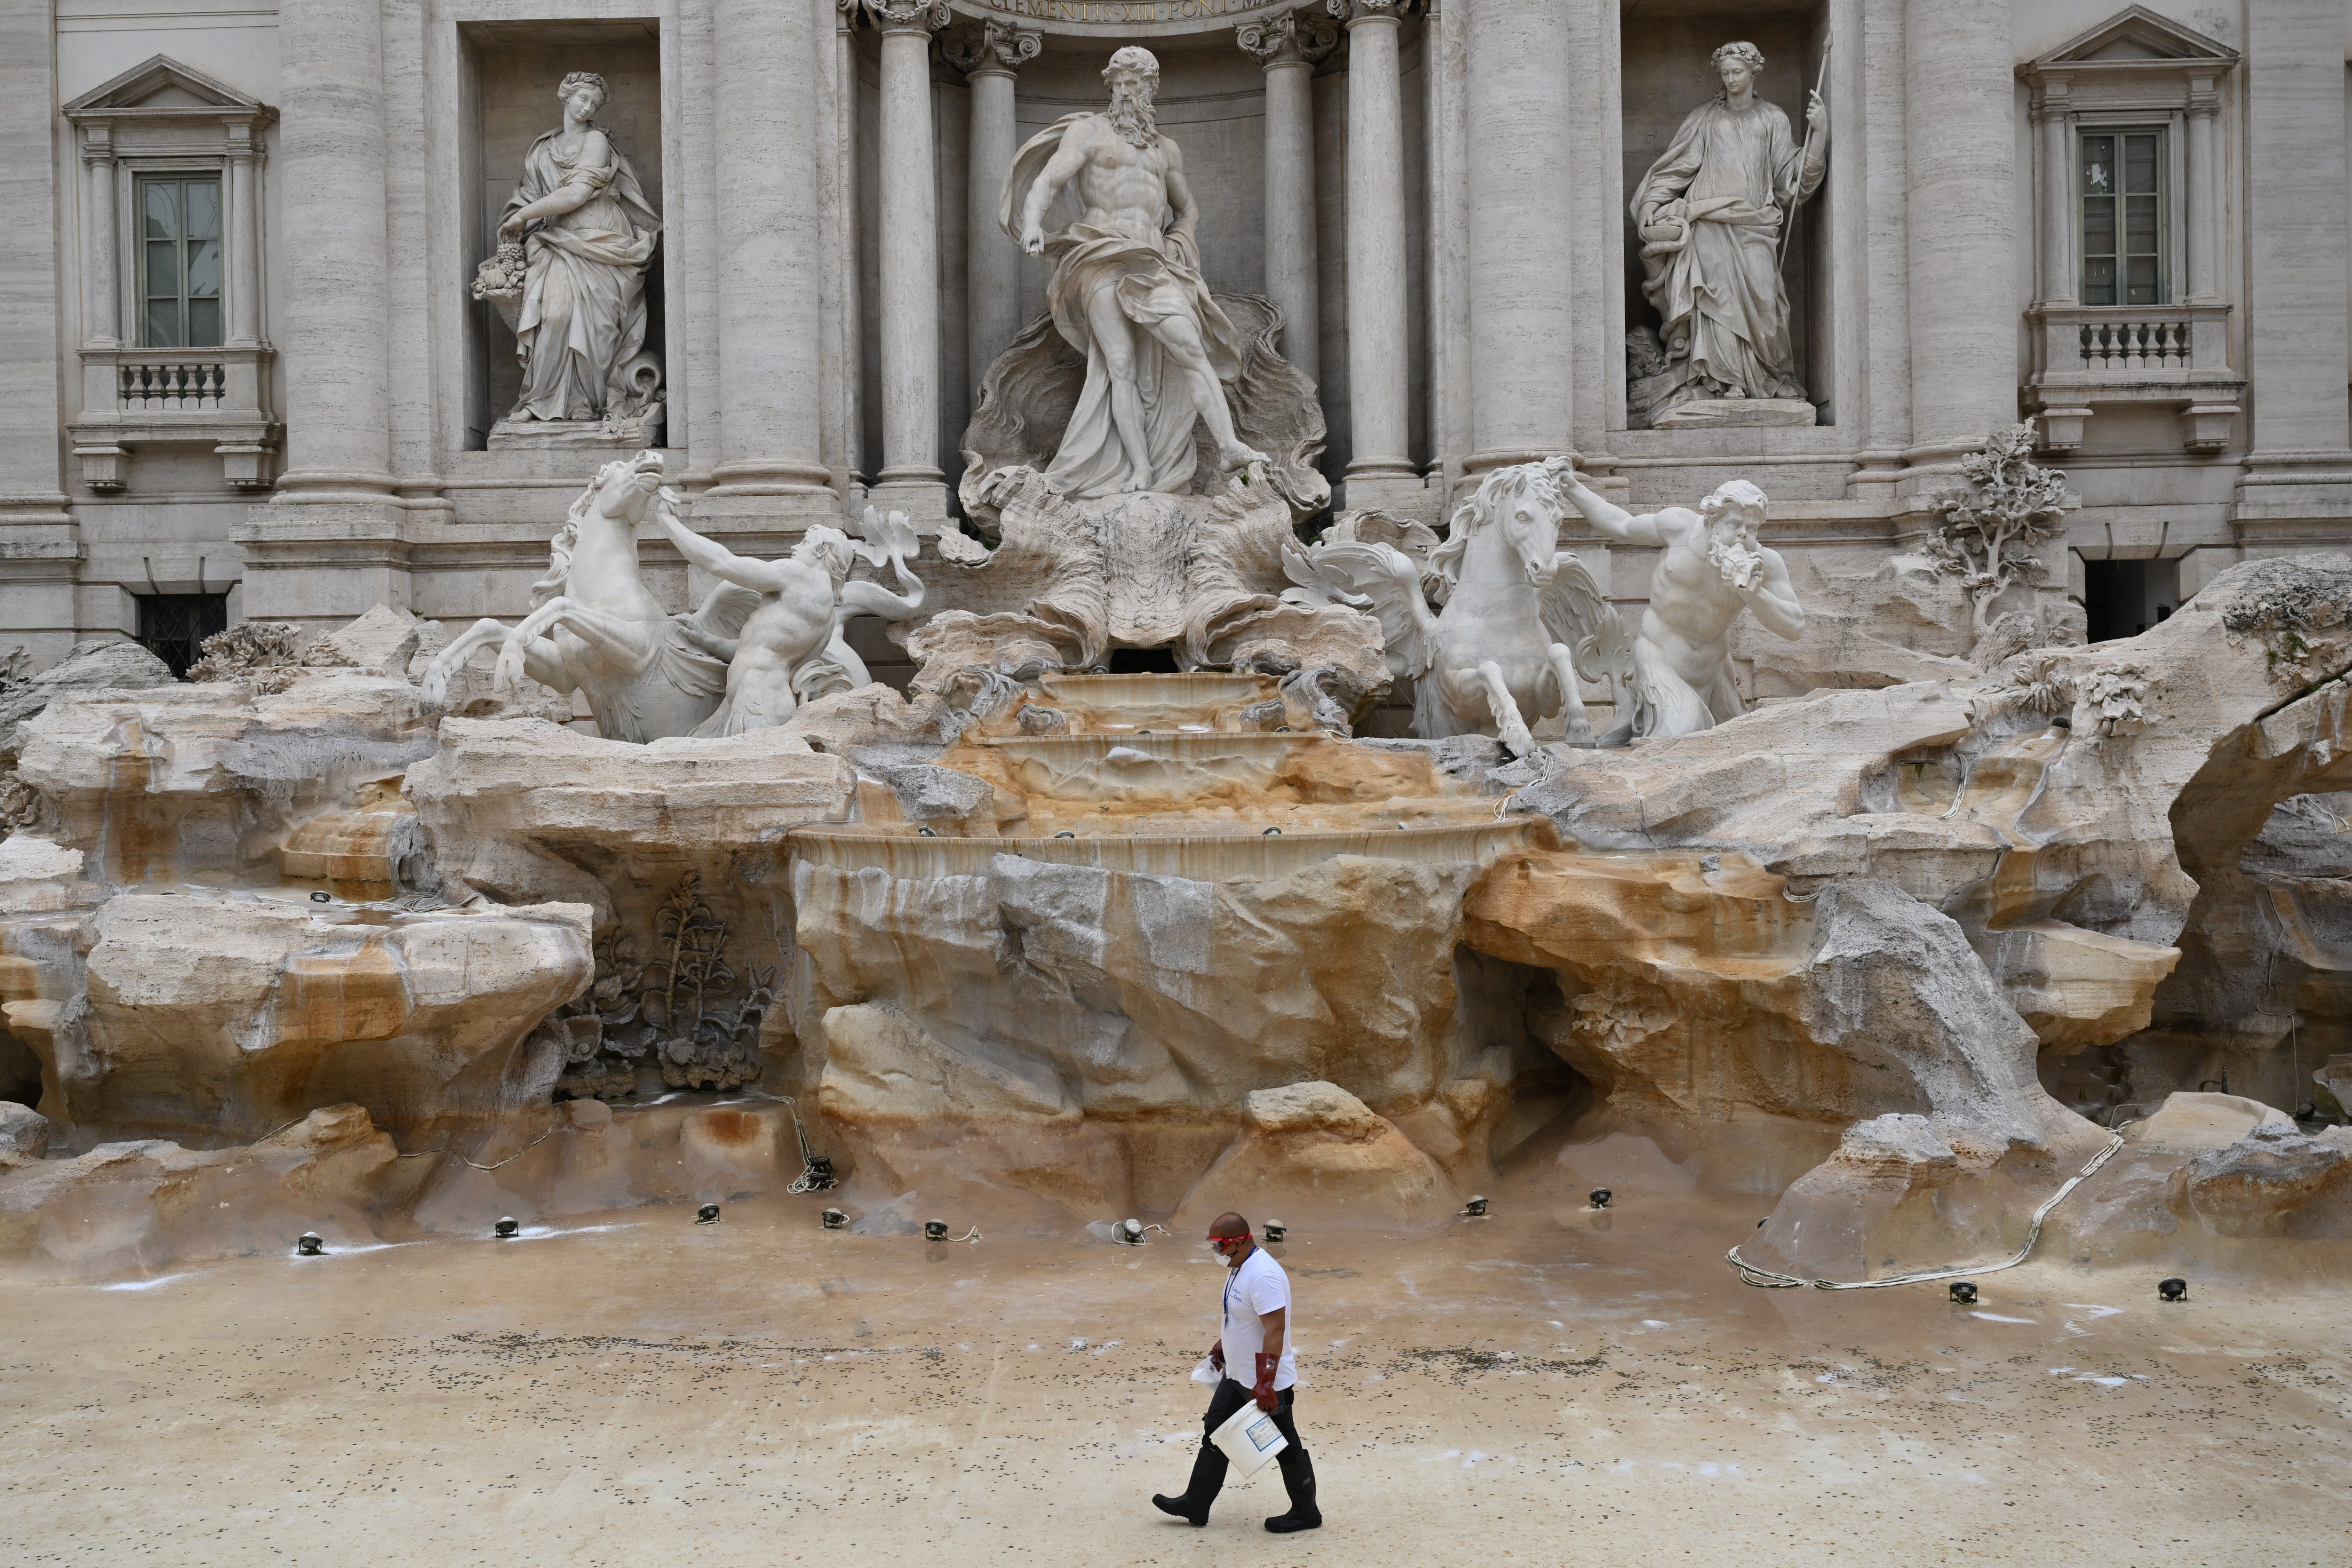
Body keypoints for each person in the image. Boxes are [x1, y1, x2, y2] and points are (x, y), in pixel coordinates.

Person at [1002, 46, 1267, 498]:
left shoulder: (1166, 151)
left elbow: (1187, 208)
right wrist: (1031, 225)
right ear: (1111, 86)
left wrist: (1178, 239)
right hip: (1099, 254)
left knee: (1190, 346)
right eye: (1121, 82)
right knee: (1118, 363)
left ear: (1151, 89)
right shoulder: (1090, 132)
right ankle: (1140, 470)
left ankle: (1229, 447)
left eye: (1137, 83)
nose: (1128, 91)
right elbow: (1047, 182)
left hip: (1151, 262)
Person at [1630, 40, 1827, 413]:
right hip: (1708, 222)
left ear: (1754, 72)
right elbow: (1677, 168)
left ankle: (1771, 376)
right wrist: (1651, 203)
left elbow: (1793, 181)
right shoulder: (1706, 118)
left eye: (1738, 72)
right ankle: (1723, 380)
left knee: (1767, 301)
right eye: (1725, 73)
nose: (1731, 79)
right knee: (1714, 299)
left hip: (1755, 223)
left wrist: (1819, 135)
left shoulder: (1773, 119)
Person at [1554, 471, 1805, 737]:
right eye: (1735, 525)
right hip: (1660, 660)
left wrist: (1753, 594)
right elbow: (1621, 526)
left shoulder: (1765, 563)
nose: (1743, 535)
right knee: (1684, 734)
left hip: (1714, 670)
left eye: (1752, 528)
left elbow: (1795, 626)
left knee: (1738, 741)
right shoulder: (1679, 528)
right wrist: (1571, 487)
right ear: (1713, 521)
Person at [492, 71, 662, 425]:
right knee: (554, 315)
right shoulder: (541, 150)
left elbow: (577, 194)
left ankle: (584, 403)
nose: (587, 107)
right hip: (558, 241)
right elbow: (532, 195)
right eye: (583, 98)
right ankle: (541, 399)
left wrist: (524, 215)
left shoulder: (596, 140)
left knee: (597, 326)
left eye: (595, 104)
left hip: (601, 239)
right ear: (565, 95)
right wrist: (520, 217)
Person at [1151, 1211, 1320, 1533]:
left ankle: (1306, 1512)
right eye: (1213, 1245)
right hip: (1238, 1374)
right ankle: (1196, 1503)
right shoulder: (1238, 1265)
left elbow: (1275, 1329)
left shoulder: (1264, 1275)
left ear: (1240, 1241)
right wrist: (1223, 1345)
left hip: (1265, 1382)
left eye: (1221, 1245)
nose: (1217, 1252)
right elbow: (1243, 1318)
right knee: (1216, 1430)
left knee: (1285, 1445)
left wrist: (1266, 1383)